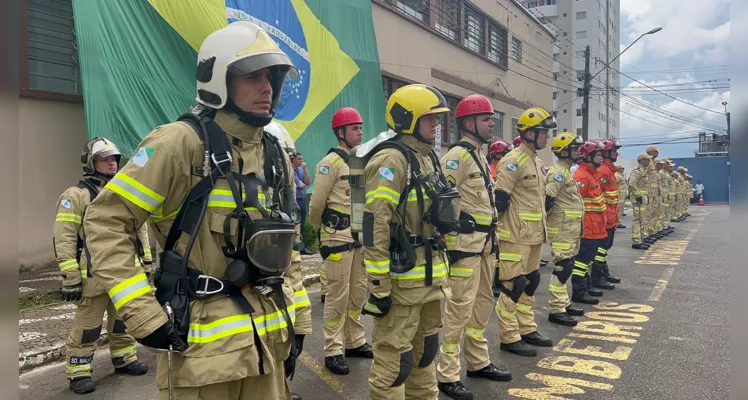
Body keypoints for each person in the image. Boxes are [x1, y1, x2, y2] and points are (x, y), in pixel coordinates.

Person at [82, 21, 306, 399]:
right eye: (252, 76)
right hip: (203, 355)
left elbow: (289, 244)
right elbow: (106, 222)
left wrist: (299, 320)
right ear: (217, 79)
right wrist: (142, 313)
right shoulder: (179, 143)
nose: (267, 87)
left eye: (271, 76)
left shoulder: (274, 154)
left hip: (270, 341)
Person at [361, 84, 456, 399]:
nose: (436, 125)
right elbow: (375, 224)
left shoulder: (427, 158)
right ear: (408, 118)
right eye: (430, 118)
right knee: (394, 365)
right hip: (401, 286)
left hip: (429, 281)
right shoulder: (391, 160)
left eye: (437, 119)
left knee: (425, 354)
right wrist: (379, 285)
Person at [54, 138, 149, 394]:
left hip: (124, 275)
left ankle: (125, 358)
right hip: (92, 278)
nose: (111, 162)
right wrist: (70, 277)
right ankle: (79, 372)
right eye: (104, 158)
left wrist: (147, 263)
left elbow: (139, 229)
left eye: (114, 158)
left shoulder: (122, 192)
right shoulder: (75, 196)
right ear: (90, 163)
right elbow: (64, 238)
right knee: (88, 329)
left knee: (123, 323)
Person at [436, 94, 512, 400]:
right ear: (469, 123)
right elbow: (439, 198)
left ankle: (478, 362)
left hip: (485, 245)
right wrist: (456, 221)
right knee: (459, 310)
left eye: (491, 118)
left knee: (482, 307)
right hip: (465, 247)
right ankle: (447, 374)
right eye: (486, 118)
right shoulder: (456, 157)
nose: (491, 122)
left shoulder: (479, 155)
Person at [309, 107, 373, 375]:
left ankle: (354, 340)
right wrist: (324, 233)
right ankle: (333, 350)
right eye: (354, 128)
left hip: (358, 238)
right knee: (337, 295)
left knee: (357, 293)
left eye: (360, 127)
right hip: (336, 237)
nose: (360, 132)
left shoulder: (358, 161)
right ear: (340, 132)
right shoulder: (329, 164)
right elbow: (315, 206)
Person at [493, 107, 555, 357]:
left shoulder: (538, 161)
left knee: (530, 284)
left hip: (534, 236)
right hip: (514, 236)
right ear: (529, 133)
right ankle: (509, 337)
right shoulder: (512, 160)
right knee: (512, 285)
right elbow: (500, 199)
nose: (547, 137)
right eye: (544, 132)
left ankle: (526, 329)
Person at [543, 132, 586, 326]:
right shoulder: (558, 172)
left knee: (568, 264)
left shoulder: (567, 171)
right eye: (575, 149)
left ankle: (564, 303)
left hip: (570, 227)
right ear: (564, 151)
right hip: (561, 227)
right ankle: (556, 309)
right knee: (563, 266)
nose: (578, 152)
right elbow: (548, 198)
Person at [571, 141, 608, 304]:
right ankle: (579, 291)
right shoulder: (581, 176)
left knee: (589, 259)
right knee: (582, 260)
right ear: (588, 157)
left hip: (595, 225)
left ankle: (586, 286)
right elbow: (575, 203)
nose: (601, 157)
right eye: (598, 154)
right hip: (587, 226)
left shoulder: (591, 174)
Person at [590, 139, 621, 290]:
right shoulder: (603, 171)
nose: (617, 153)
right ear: (607, 152)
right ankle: (597, 277)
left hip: (610, 217)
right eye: (614, 151)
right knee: (601, 249)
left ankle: (604, 272)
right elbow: (597, 195)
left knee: (605, 248)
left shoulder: (609, 170)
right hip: (603, 217)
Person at [487, 139, 513, 298]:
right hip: (496, 217)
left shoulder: (499, 169)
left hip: (500, 218)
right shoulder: (494, 171)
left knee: (499, 253)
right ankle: (495, 282)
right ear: (496, 154)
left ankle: (497, 280)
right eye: (505, 153)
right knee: (496, 254)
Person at [292, 151, 314, 255]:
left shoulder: (300, 170)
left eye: (301, 158)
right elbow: (301, 185)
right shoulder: (290, 171)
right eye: (299, 159)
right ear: (293, 159)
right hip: (294, 201)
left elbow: (308, 182)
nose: (301, 161)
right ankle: (294, 247)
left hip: (302, 200)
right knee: (294, 225)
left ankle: (301, 247)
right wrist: (303, 184)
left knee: (302, 225)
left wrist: (305, 169)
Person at [629, 154, 651, 250]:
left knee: (642, 219)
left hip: (643, 198)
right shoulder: (637, 172)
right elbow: (631, 183)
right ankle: (636, 241)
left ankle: (641, 239)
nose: (649, 161)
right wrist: (638, 195)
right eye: (647, 160)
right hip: (638, 199)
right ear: (641, 161)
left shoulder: (644, 171)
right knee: (638, 219)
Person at [645, 145, 662, 244]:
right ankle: (646, 234)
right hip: (648, 192)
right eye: (656, 151)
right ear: (651, 152)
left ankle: (650, 232)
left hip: (654, 193)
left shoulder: (652, 163)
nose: (657, 153)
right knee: (647, 214)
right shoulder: (647, 163)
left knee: (653, 213)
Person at [614, 164, 627, 229]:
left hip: (622, 195)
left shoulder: (620, 175)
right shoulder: (617, 175)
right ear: (618, 168)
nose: (623, 170)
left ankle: (619, 222)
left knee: (620, 209)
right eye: (622, 168)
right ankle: (616, 223)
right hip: (619, 194)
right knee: (618, 209)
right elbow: (615, 185)